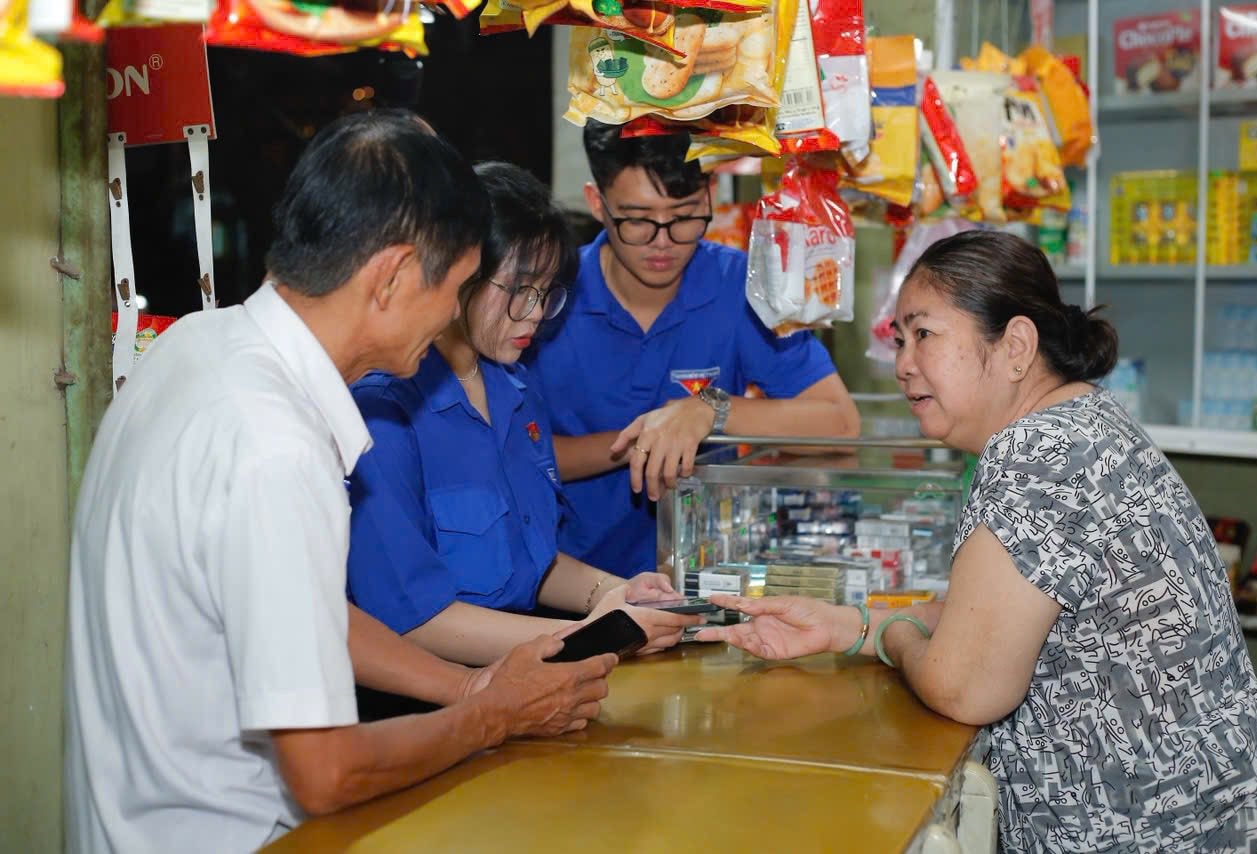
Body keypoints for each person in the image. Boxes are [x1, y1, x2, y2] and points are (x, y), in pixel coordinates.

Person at [65, 110, 616, 853]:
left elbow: (299, 607)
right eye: (455, 288)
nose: (454, 315)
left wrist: (468, 688)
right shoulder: (275, 448)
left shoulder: (198, 346)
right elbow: (325, 774)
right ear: (389, 277)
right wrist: (493, 719)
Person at [699, 229, 1257, 852]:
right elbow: (1013, 619)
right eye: (899, 340)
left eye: (924, 334)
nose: (902, 363)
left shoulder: (1036, 452)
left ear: (1016, 346)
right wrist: (850, 627)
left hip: (1150, 831)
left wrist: (895, 637)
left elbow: (965, 685)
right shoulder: (1081, 422)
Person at [346, 161, 700, 668]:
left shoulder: (511, 385)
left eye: (546, 293)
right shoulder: (385, 412)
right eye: (518, 290)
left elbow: (526, 558)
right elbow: (413, 620)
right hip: (422, 701)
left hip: (523, 673)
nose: (534, 312)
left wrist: (618, 594)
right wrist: (592, 633)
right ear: (455, 274)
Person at [523, 121, 861, 578]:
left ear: (709, 197)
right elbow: (514, 456)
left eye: (683, 217)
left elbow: (839, 422)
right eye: (638, 219)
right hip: (565, 590)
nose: (662, 243)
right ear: (597, 204)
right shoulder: (550, 297)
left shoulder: (743, 287)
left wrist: (709, 411)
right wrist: (650, 437)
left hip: (706, 586)